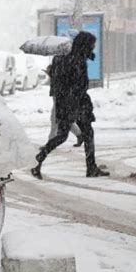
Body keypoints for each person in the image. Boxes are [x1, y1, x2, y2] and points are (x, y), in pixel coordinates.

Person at [31, 31, 109, 180]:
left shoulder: (63, 57)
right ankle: (90, 167)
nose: (92, 48)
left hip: (66, 103)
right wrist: (79, 96)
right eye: (91, 46)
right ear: (84, 45)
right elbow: (80, 83)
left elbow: (61, 80)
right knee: (78, 135)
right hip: (76, 103)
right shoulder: (77, 60)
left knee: (66, 135)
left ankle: (40, 159)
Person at [46, 58, 83, 147]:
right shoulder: (60, 64)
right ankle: (79, 135)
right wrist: (50, 72)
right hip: (60, 96)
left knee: (55, 119)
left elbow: (64, 80)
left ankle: (51, 141)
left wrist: (51, 72)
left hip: (62, 97)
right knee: (64, 119)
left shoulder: (65, 65)